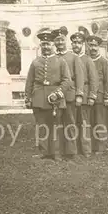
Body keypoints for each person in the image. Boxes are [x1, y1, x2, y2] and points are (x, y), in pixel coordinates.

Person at [24, 29, 70, 160]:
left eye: (48, 43)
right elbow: (30, 81)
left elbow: (67, 80)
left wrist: (58, 93)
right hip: (38, 97)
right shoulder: (35, 62)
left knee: (56, 125)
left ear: (53, 45)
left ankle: (56, 153)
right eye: (43, 44)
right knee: (42, 125)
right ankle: (44, 151)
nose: (46, 46)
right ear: (41, 45)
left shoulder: (61, 61)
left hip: (55, 98)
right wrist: (28, 98)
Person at [52, 28, 84, 161]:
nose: (60, 42)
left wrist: (79, 94)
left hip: (70, 95)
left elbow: (80, 77)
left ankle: (72, 152)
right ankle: (57, 152)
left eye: (62, 40)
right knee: (56, 124)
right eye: (57, 40)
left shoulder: (74, 57)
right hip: (55, 96)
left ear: (66, 41)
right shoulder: (52, 58)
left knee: (70, 123)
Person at [70, 31, 99, 157]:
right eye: (74, 42)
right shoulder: (69, 58)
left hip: (85, 94)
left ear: (83, 45)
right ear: (71, 44)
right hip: (71, 94)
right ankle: (74, 149)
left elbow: (94, 79)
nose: (76, 45)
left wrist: (92, 95)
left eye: (79, 43)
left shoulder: (87, 60)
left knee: (84, 123)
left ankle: (86, 150)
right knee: (72, 122)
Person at [86, 35, 108, 154]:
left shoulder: (104, 62)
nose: (93, 48)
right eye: (91, 45)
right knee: (89, 121)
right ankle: (92, 145)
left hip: (100, 96)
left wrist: (107, 96)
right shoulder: (85, 59)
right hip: (87, 96)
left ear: (99, 47)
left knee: (100, 121)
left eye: (95, 46)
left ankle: (101, 146)